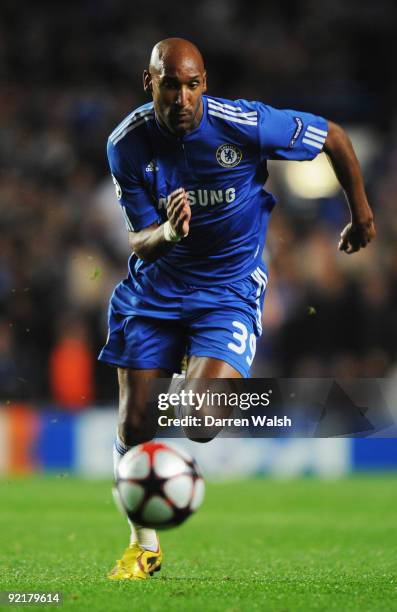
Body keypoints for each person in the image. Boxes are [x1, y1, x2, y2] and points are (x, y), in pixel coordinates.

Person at [99, 37, 375, 580]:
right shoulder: (126, 144)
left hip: (226, 290)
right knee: (134, 428)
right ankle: (143, 547)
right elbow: (137, 240)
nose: (183, 98)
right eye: (171, 85)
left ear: (206, 83)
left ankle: (195, 366)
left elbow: (335, 138)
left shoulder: (244, 124)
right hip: (156, 291)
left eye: (193, 84)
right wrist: (171, 233)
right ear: (148, 82)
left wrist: (361, 214)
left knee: (200, 424)